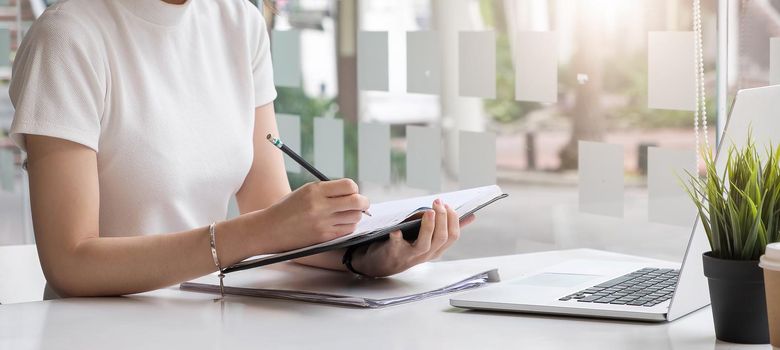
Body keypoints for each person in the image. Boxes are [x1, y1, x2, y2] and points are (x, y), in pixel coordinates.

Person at [9, 0, 475, 298]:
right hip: (97, 333)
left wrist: (365, 258)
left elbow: (271, 213)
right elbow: (70, 262)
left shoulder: (239, 22)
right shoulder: (67, 37)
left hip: (213, 319)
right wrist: (254, 232)